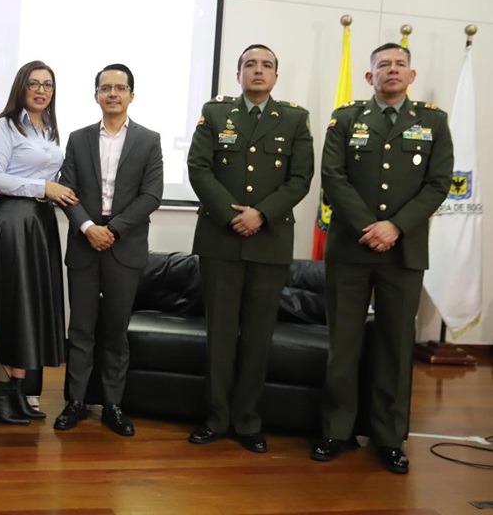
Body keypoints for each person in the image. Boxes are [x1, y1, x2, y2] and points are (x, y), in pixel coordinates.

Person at [311, 43, 453, 474]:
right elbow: (332, 177)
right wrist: (368, 226)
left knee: (395, 345)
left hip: (403, 251)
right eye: (383, 66)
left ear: (412, 76)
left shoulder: (432, 122)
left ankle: (390, 438)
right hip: (350, 250)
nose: (392, 71)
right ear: (370, 78)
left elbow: (439, 182)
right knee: (344, 346)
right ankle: (337, 430)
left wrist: (395, 227)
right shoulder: (346, 119)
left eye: (400, 65)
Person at [186, 44, 314, 453]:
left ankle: (247, 422)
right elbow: (198, 167)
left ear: (276, 76)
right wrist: (230, 214)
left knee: (258, 338)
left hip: (269, 239)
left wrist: (260, 214)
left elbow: (300, 178)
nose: (258, 71)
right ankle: (216, 418)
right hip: (220, 240)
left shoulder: (295, 118)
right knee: (219, 336)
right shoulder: (216, 113)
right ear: (238, 73)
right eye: (250, 65)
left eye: (267, 65)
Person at [54, 63, 163, 437]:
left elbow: (151, 195)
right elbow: (67, 190)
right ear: (96, 95)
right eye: (105, 88)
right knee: (81, 327)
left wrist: (111, 229)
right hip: (84, 243)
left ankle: (113, 405)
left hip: (124, 245)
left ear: (132, 94)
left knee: (116, 330)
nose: (112, 93)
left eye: (120, 88)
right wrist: (88, 227)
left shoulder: (149, 140)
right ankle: (76, 401)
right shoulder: (78, 138)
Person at [0, 60, 75, 425]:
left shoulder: (49, 128)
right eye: (34, 83)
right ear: (22, 87)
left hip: (40, 225)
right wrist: (41, 188)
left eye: (48, 84)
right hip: (11, 223)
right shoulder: (4, 125)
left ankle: (17, 393)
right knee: (10, 305)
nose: (41, 90)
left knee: (29, 307)